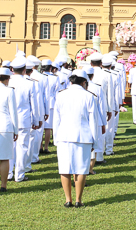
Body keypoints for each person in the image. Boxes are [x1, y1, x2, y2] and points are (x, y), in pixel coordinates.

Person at [53, 69, 99, 207]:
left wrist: (56, 137)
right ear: (84, 82)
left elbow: (56, 119)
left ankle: (68, 199)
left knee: (65, 168)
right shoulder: (89, 96)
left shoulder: (61, 95)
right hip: (83, 136)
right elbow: (93, 122)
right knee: (81, 169)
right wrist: (94, 140)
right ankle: (78, 200)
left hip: (64, 136)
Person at [9, 58, 38, 182]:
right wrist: (37, 120)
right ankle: (19, 174)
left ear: (12, 70)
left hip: (9, 120)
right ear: (24, 70)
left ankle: (9, 173)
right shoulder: (29, 83)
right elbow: (34, 105)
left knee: (10, 147)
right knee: (22, 147)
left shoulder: (7, 82)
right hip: (23, 119)